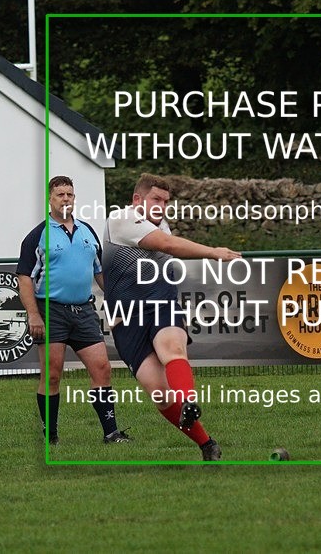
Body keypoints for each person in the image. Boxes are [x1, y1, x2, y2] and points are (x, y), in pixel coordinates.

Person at [102, 173, 241, 461]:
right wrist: (213, 252)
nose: (162, 206)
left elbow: (167, 243)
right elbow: (167, 245)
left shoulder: (160, 223)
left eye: (166, 201)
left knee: (172, 348)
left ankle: (189, 401)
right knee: (160, 393)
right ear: (137, 199)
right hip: (127, 318)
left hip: (162, 304)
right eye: (156, 199)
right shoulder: (120, 219)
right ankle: (207, 444)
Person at [17, 175, 131, 444]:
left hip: (84, 310)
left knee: (102, 368)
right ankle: (51, 436)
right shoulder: (38, 236)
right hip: (50, 311)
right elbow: (24, 278)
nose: (65, 199)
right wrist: (34, 314)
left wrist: (119, 301)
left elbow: (100, 273)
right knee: (53, 374)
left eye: (69, 194)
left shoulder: (87, 231)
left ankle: (111, 433)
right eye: (60, 195)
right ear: (50, 199)